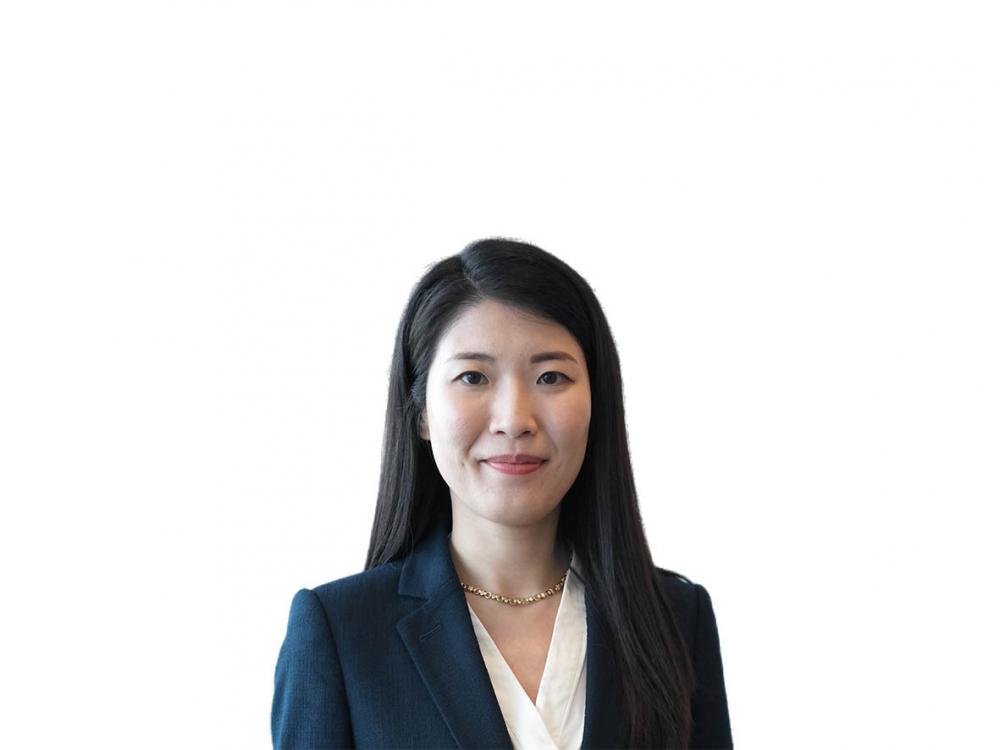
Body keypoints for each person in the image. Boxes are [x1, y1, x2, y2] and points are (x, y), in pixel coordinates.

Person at [271, 238, 733, 749]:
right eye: (473, 377)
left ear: (597, 404)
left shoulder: (677, 618)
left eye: (551, 377)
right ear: (420, 411)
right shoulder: (340, 633)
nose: (515, 419)